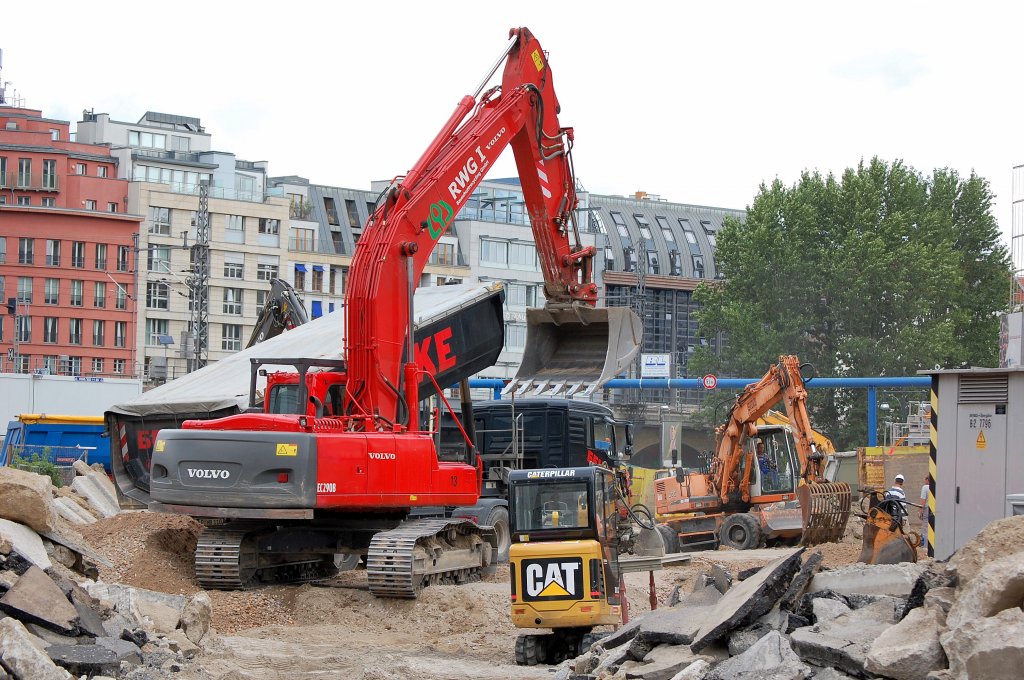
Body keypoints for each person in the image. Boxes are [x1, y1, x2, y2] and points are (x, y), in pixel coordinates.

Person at [919, 475, 929, 548]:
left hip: (927, 509)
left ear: (927, 480)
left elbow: (923, 501)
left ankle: (925, 545)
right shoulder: (937, 487)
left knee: (925, 527)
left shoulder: (925, 487)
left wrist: (920, 511)